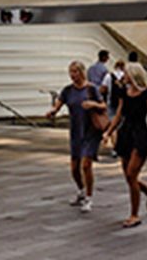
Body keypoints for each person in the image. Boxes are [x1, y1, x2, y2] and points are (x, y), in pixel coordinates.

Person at [44, 61, 106, 213]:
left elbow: (103, 106)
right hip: (76, 132)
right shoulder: (67, 90)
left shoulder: (91, 89)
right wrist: (52, 112)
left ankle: (89, 198)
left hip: (91, 131)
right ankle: (81, 190)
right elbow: (58, 105)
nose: (72, 75)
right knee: (74, 168)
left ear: (82, 72)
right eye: (70, 72)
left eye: (75, 72)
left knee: (86, 165)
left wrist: (93, 104)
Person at [106, 66, 147, 228]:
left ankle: (134, 215)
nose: (124, 75)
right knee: (130, 177)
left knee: (131, 173)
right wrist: (109, 132)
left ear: (134, 75)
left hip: (140, 135)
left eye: (127, 73)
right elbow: (118, 115)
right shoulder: (124, 93)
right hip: (125, 135)